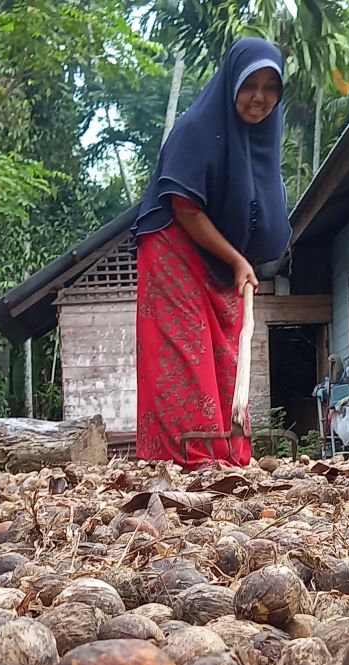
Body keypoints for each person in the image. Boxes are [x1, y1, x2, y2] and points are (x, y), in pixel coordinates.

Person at [132, 38, 291, 470]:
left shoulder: (261, 142)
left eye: (269, 87)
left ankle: (229, 453)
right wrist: (239, 260)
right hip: (174, 247)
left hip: (220, 260)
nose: (258, 98)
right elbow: (184, 207)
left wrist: (243, 259)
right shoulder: (197, 130)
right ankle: (189, 457)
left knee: (226, 351)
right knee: (187, 352)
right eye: (249, 85)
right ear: (229, 85)